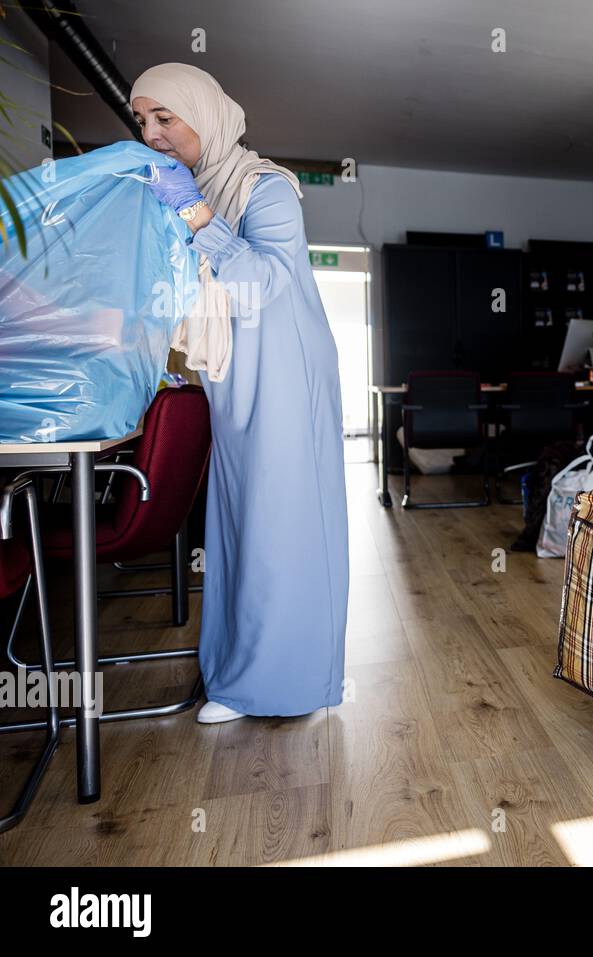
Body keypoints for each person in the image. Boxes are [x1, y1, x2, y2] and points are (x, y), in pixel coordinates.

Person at [130, 63, 348, 723]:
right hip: (235, 376)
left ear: (205, 113)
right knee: (235, 524)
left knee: (280, 524)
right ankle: (234, 673)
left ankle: (290, 679)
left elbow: (261, 283)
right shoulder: (194, 190)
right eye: (142, 121)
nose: (152, 134)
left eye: (165, 117)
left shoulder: (263, 186)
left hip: (285, 369)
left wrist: (198, 217)